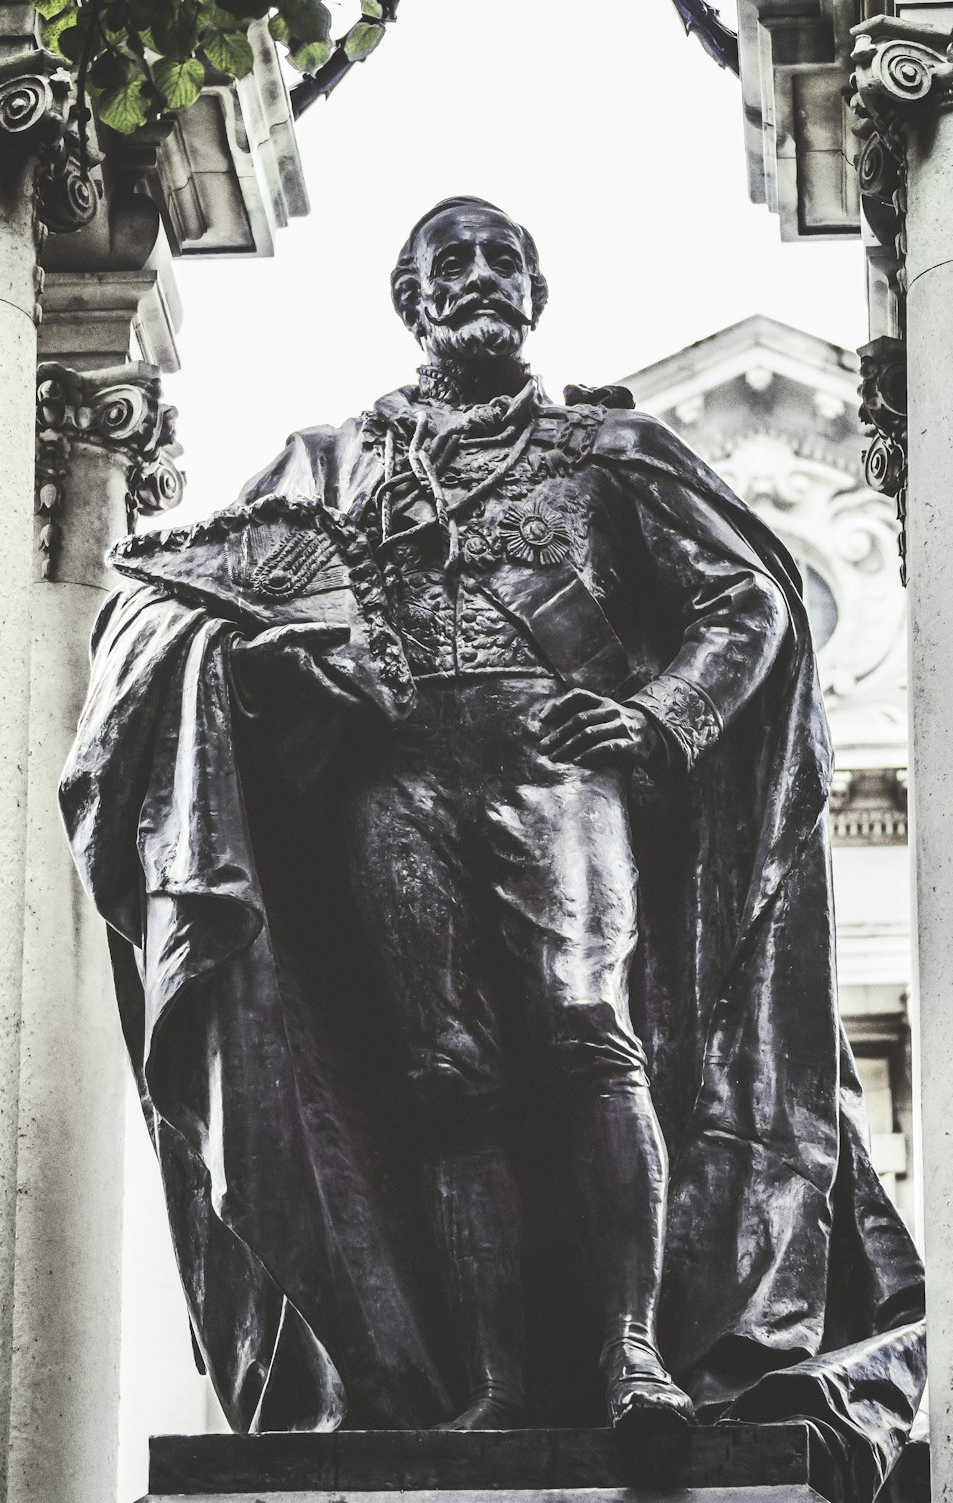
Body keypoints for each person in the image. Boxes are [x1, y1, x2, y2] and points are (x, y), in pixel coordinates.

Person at [62, 198, 925, 1484]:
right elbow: (188, 605)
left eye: (502, 261)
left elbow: (744, 601)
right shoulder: (333, 459)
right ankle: (494, 1386)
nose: (479, 279)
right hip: (391, 787)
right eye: (450, 263)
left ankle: (633, 1350)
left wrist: (656, 718)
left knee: (588, 1034)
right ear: (412, 302)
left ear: (533, 293)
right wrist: (274, 666)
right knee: (443, 1074)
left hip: (555, 766)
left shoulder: (607, 447)